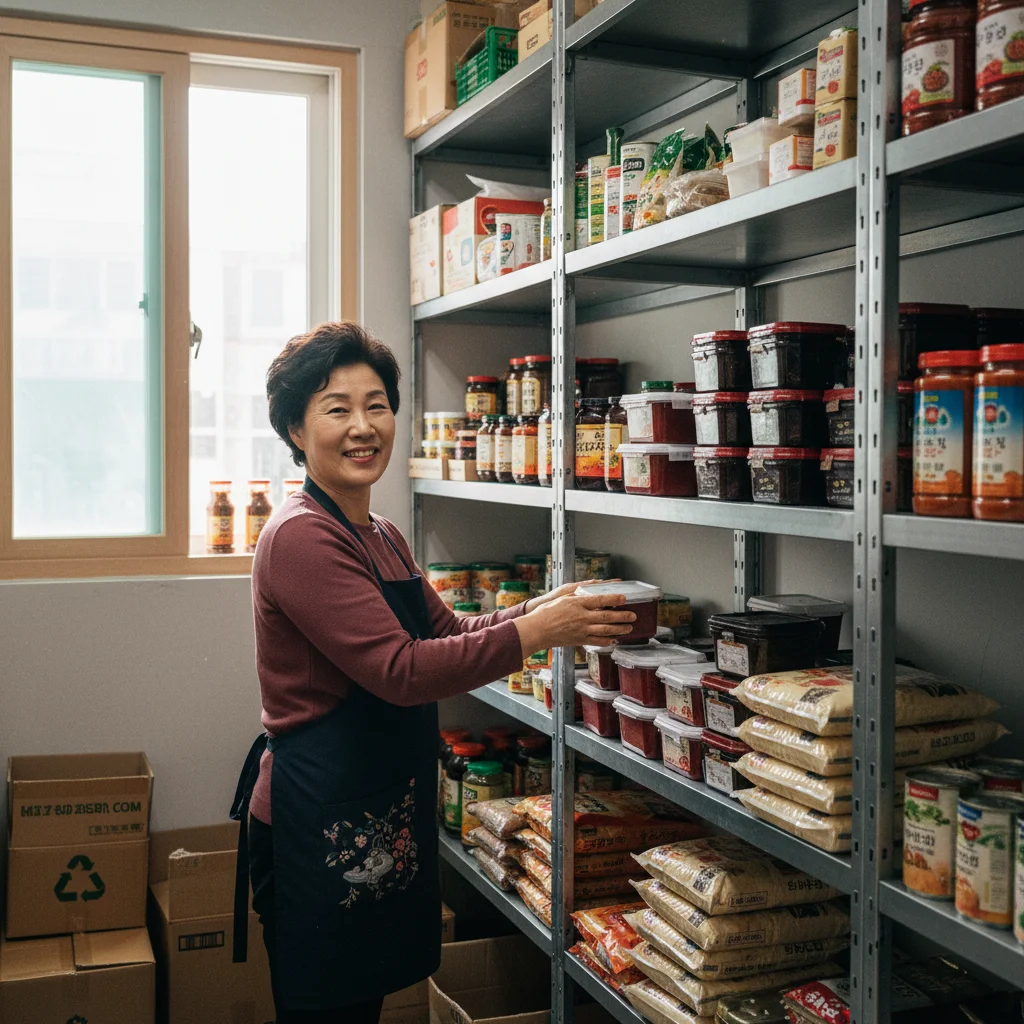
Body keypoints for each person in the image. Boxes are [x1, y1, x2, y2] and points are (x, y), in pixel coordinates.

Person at [230, 322, 635, 1023]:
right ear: (296, 430)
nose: (363, 427)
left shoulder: (378, 532)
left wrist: (540, 608)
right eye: (337, 409)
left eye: (377, 404)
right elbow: (401, 670)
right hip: (317, 818)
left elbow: (443, 633)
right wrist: (537, 634)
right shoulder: (300, 534)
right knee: (328, 1012)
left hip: (373, 809)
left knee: (364, 1004)